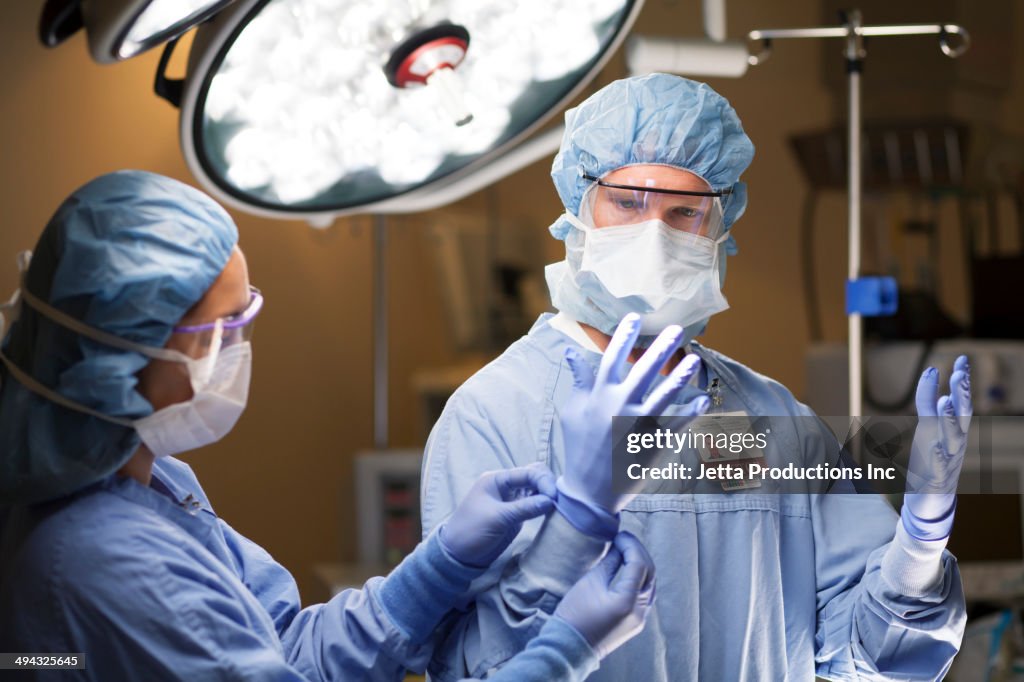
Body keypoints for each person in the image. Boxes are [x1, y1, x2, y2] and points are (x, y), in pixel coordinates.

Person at [0, 170, 688, 680]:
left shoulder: (146, 474)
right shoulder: (104, 560)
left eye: (686, 210)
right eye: (226, 331)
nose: (242, 349)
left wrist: (440, 566)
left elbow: (284, 653)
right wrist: (569, 646)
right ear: (122, 354)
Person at [420, 73, 971, 681]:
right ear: (578, 209)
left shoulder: (773, 419)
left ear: (720, 231)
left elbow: (866, 657)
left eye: (685, 211)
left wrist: (918, 548)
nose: (654, 235)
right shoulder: (496, 414)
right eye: (628, 202)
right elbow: (478, 663)